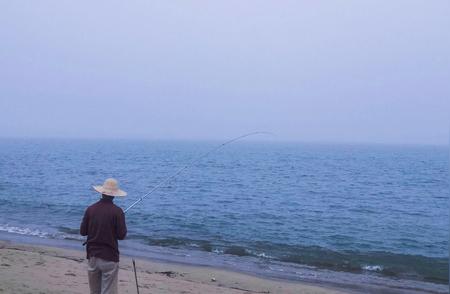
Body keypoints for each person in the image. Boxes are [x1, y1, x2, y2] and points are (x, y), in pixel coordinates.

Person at [80, 178, 127, 294]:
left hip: (93, 255)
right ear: (114, 195)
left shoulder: (91, 209)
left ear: (102, 192)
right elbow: (121, 235)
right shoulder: (118, 212)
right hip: (109, 256)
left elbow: (83, 232)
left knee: (94, 292)